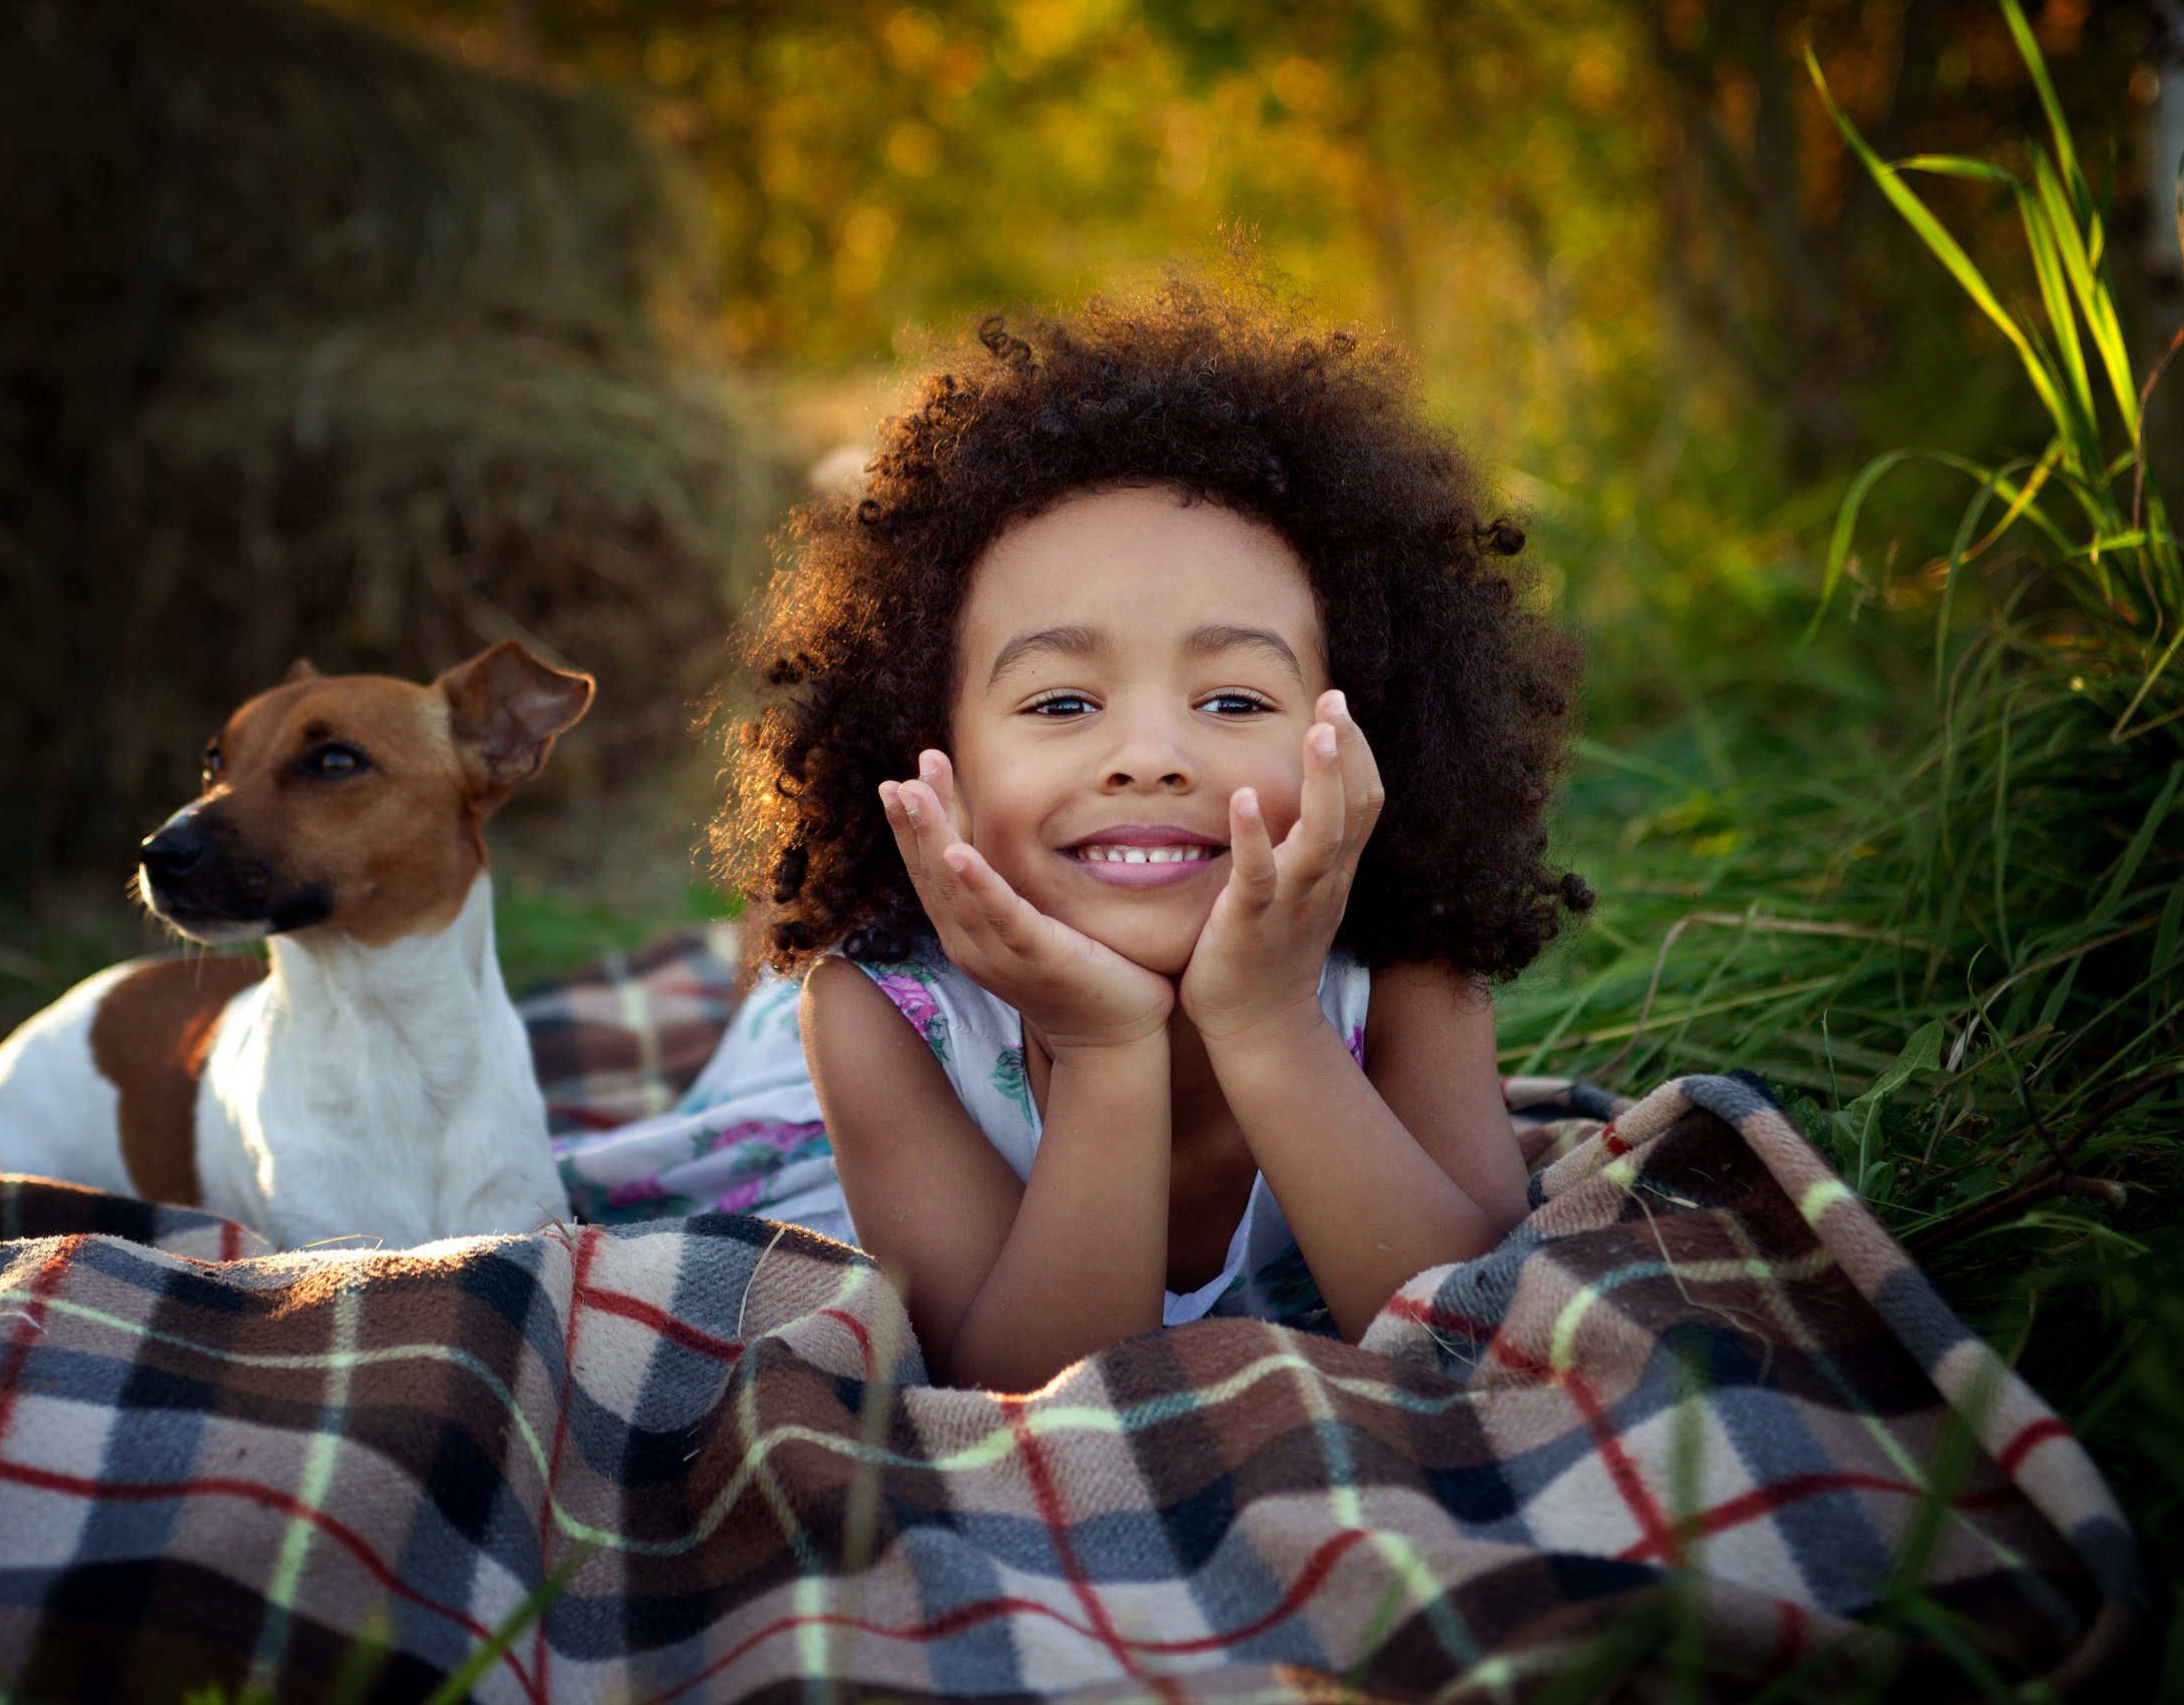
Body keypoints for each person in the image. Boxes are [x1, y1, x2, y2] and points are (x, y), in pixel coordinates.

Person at [558, 285, 1591, 1390]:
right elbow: (1020, 1398)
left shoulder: (1405, 961)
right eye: (1059, 703)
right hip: (836, 1087)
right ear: (924, 742)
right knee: (779, 993)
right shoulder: (876, 1015)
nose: (1148, 756)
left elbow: (1478, 1343)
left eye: (1235, 701)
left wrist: (1269, 1021)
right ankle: (764, 951)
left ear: (1363, 732)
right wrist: (1103, 1054)